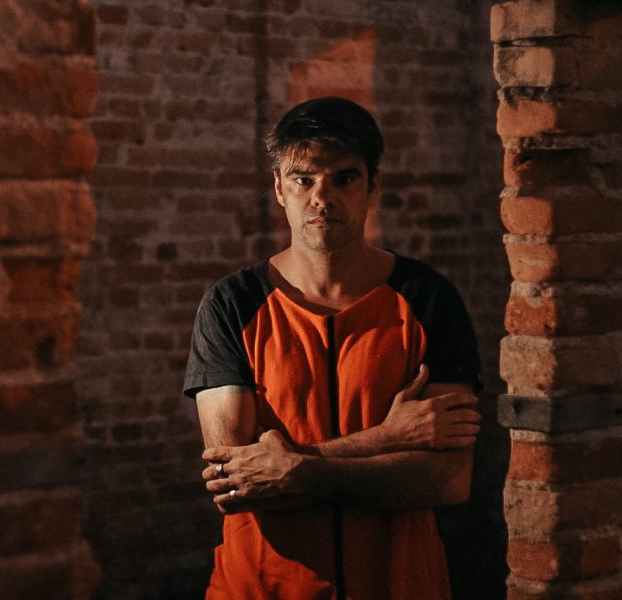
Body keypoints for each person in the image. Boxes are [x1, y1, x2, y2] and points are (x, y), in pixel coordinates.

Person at [182, 97, 483, 600]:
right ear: (279, 187)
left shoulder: (428, 299)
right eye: (303, 180)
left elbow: (447, 479)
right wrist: (386, 438)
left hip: (398, 585)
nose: (322, 198)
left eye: (344, 178)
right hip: (262, 588)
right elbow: (234, 482)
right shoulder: (232, 305)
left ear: (373, 185)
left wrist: (294, 470)